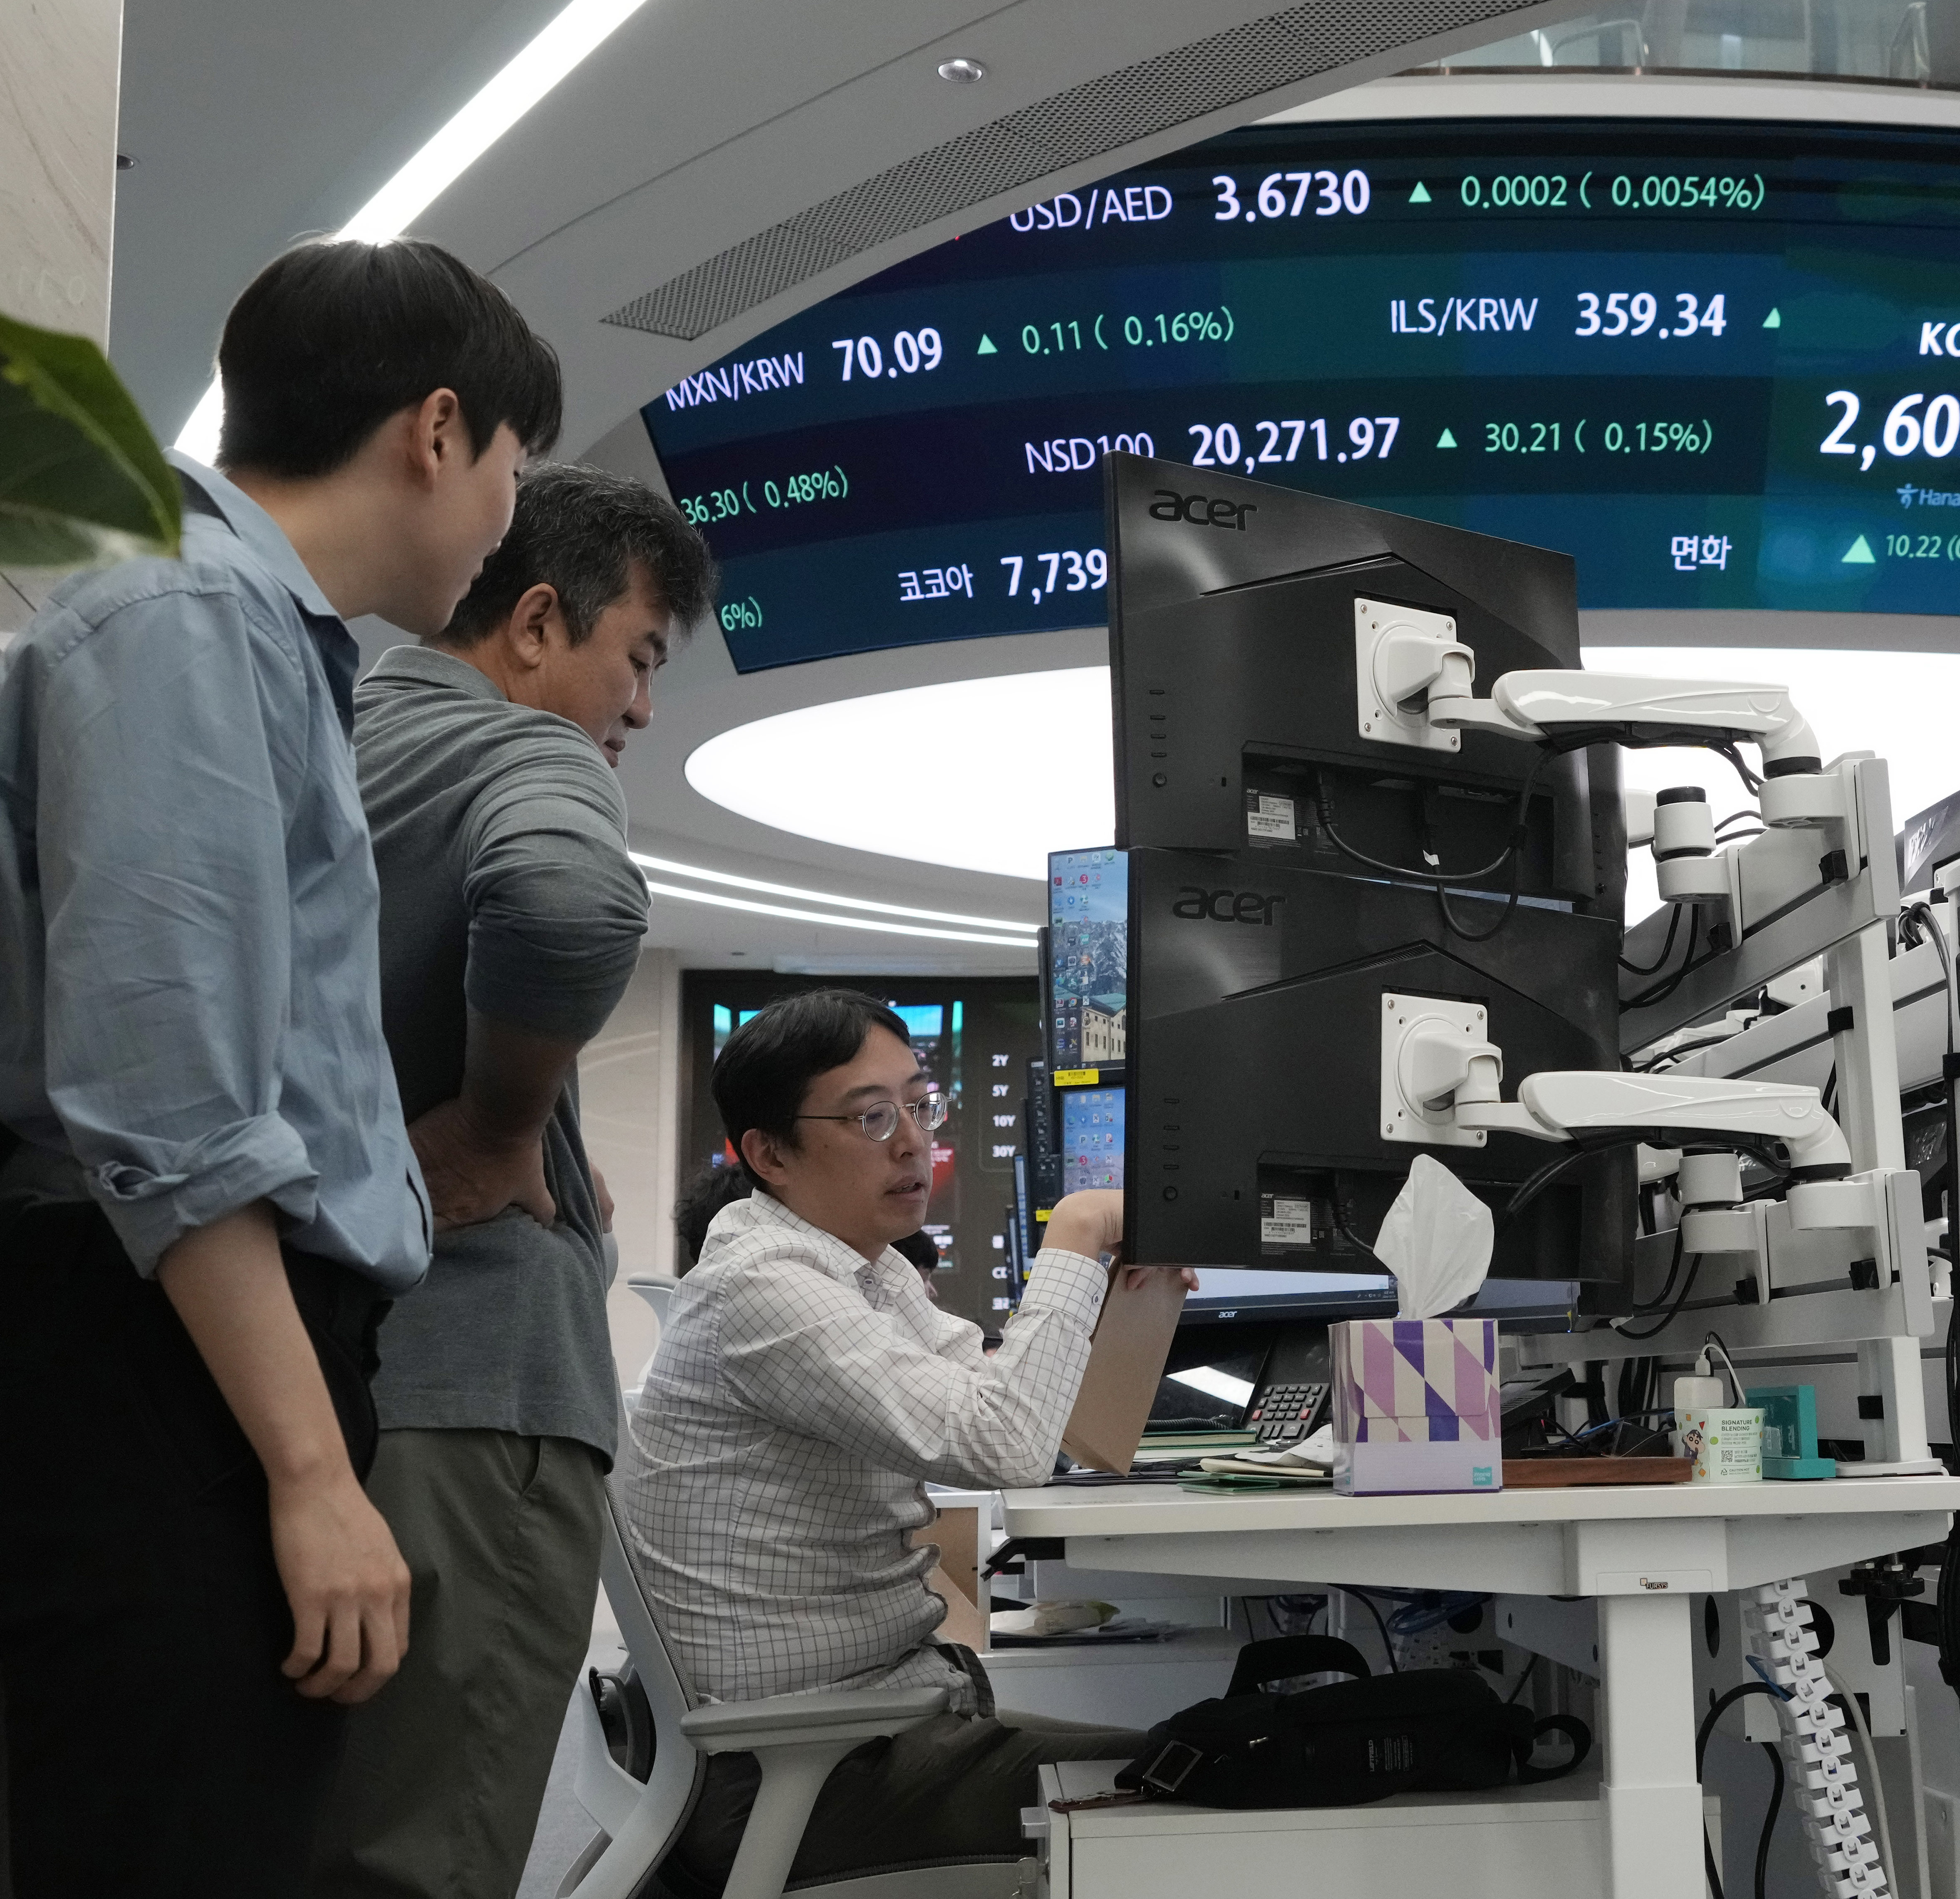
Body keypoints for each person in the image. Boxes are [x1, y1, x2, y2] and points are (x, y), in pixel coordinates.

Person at [0, 236, 560, 1897]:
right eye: (515, 472)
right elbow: (168, 1097)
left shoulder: (253, 626)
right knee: (174, 1843)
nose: (507, 518)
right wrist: (308, 1472)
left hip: (193, 1344)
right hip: (158, 1355)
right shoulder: (188, 614)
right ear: (439, 429)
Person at [309, 465, 713, 1899]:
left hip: (293, 1404)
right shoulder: (525, 755)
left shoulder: (313, 732)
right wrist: (500, 1120)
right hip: (472, 1411)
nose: (643, 712)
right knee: (421, 1855)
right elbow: (568, 899)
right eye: (642, 658)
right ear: (538, 623)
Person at [618, 989, 1172, 1887]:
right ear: (768, 1154)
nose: (914, 1140)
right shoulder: (764, 1288)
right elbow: (1005, 1446)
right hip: (797, 1778)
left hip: (865, 1733)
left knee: (1199, 1754)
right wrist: (1072, 1236)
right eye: (873, 1116)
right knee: (1205, 1784)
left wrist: (1122, 1300)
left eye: (921, 1105)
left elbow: (1028, 1419)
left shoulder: (862, 1272)